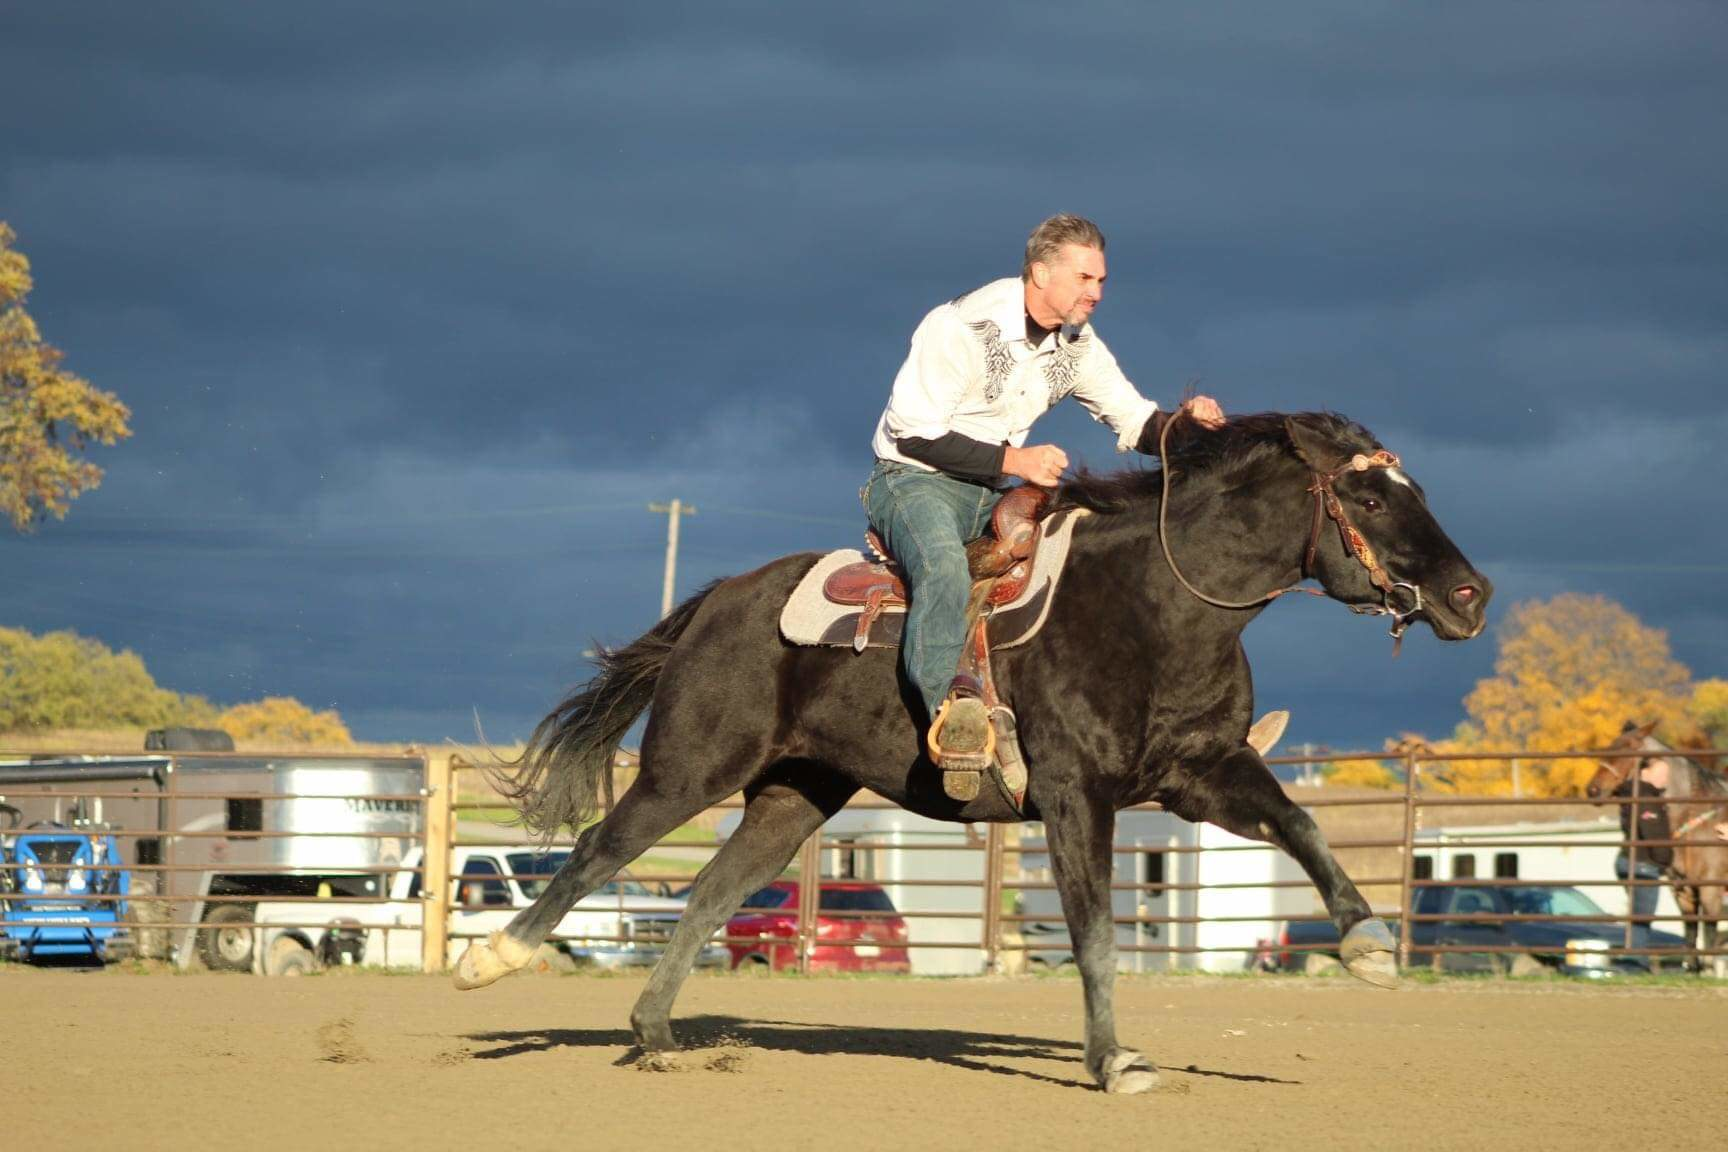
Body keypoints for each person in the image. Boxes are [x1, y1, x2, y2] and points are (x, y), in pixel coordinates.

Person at [863, 214, 1226, 779]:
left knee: (1084, 558)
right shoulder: (960, 325)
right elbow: (913, 431)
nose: (1096, 292)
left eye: (1101, 281)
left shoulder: (1079, 344)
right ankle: (953, 713)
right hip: (912, 481)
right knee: (942, 568)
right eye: (1084, 278)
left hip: (990, 490)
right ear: (1039, 272)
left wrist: (1190, 430)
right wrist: (1018, 462)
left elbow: (1132, 421)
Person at [1612, 754, 1672, 948]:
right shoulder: (1646, 797)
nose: (1666, 779)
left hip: (1631, 860)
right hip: (1643, 863)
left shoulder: (1637, 794)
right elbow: (1651, 833)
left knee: (1638, 915)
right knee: (1642, 917)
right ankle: (1636, 962)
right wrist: (1665, 860)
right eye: (1661, 773)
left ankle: (1635, 958)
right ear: (1645, 773)